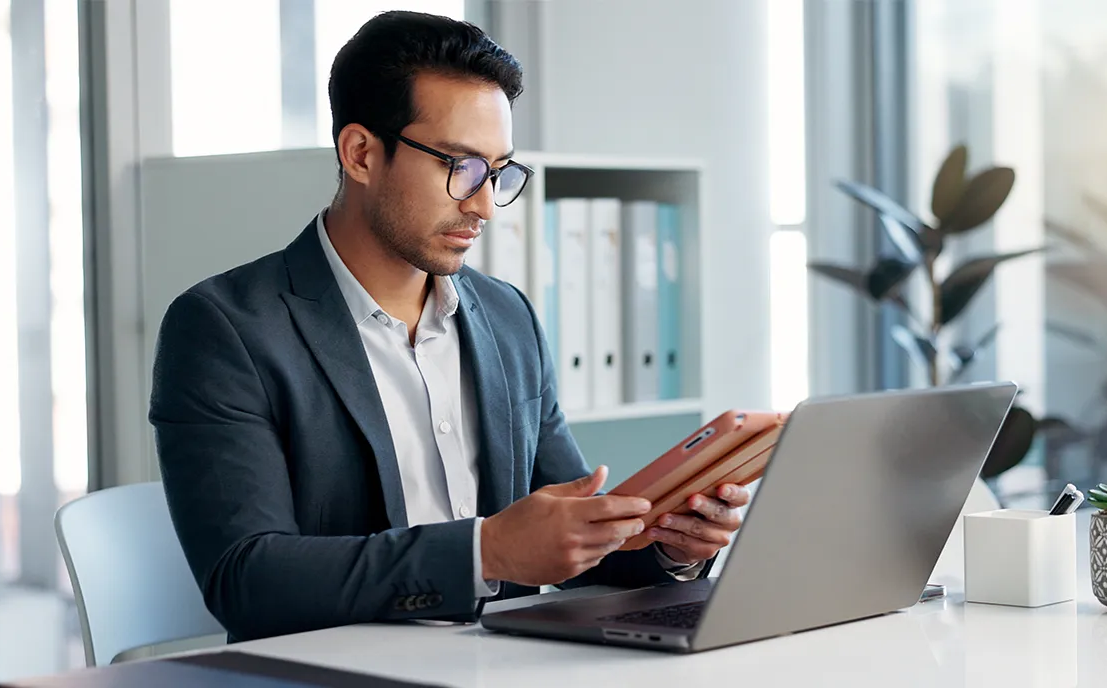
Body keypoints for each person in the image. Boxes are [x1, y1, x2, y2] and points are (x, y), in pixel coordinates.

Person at [149, 10, 749, 643]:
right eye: (459, 166)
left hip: (509, 662)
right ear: (360, 153)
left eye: (498, 172)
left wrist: (669, 546)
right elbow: (247, 581)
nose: (485, 203)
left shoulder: (507, 317)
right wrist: (485, 551)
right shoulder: (225, 328)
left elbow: (565, 544)